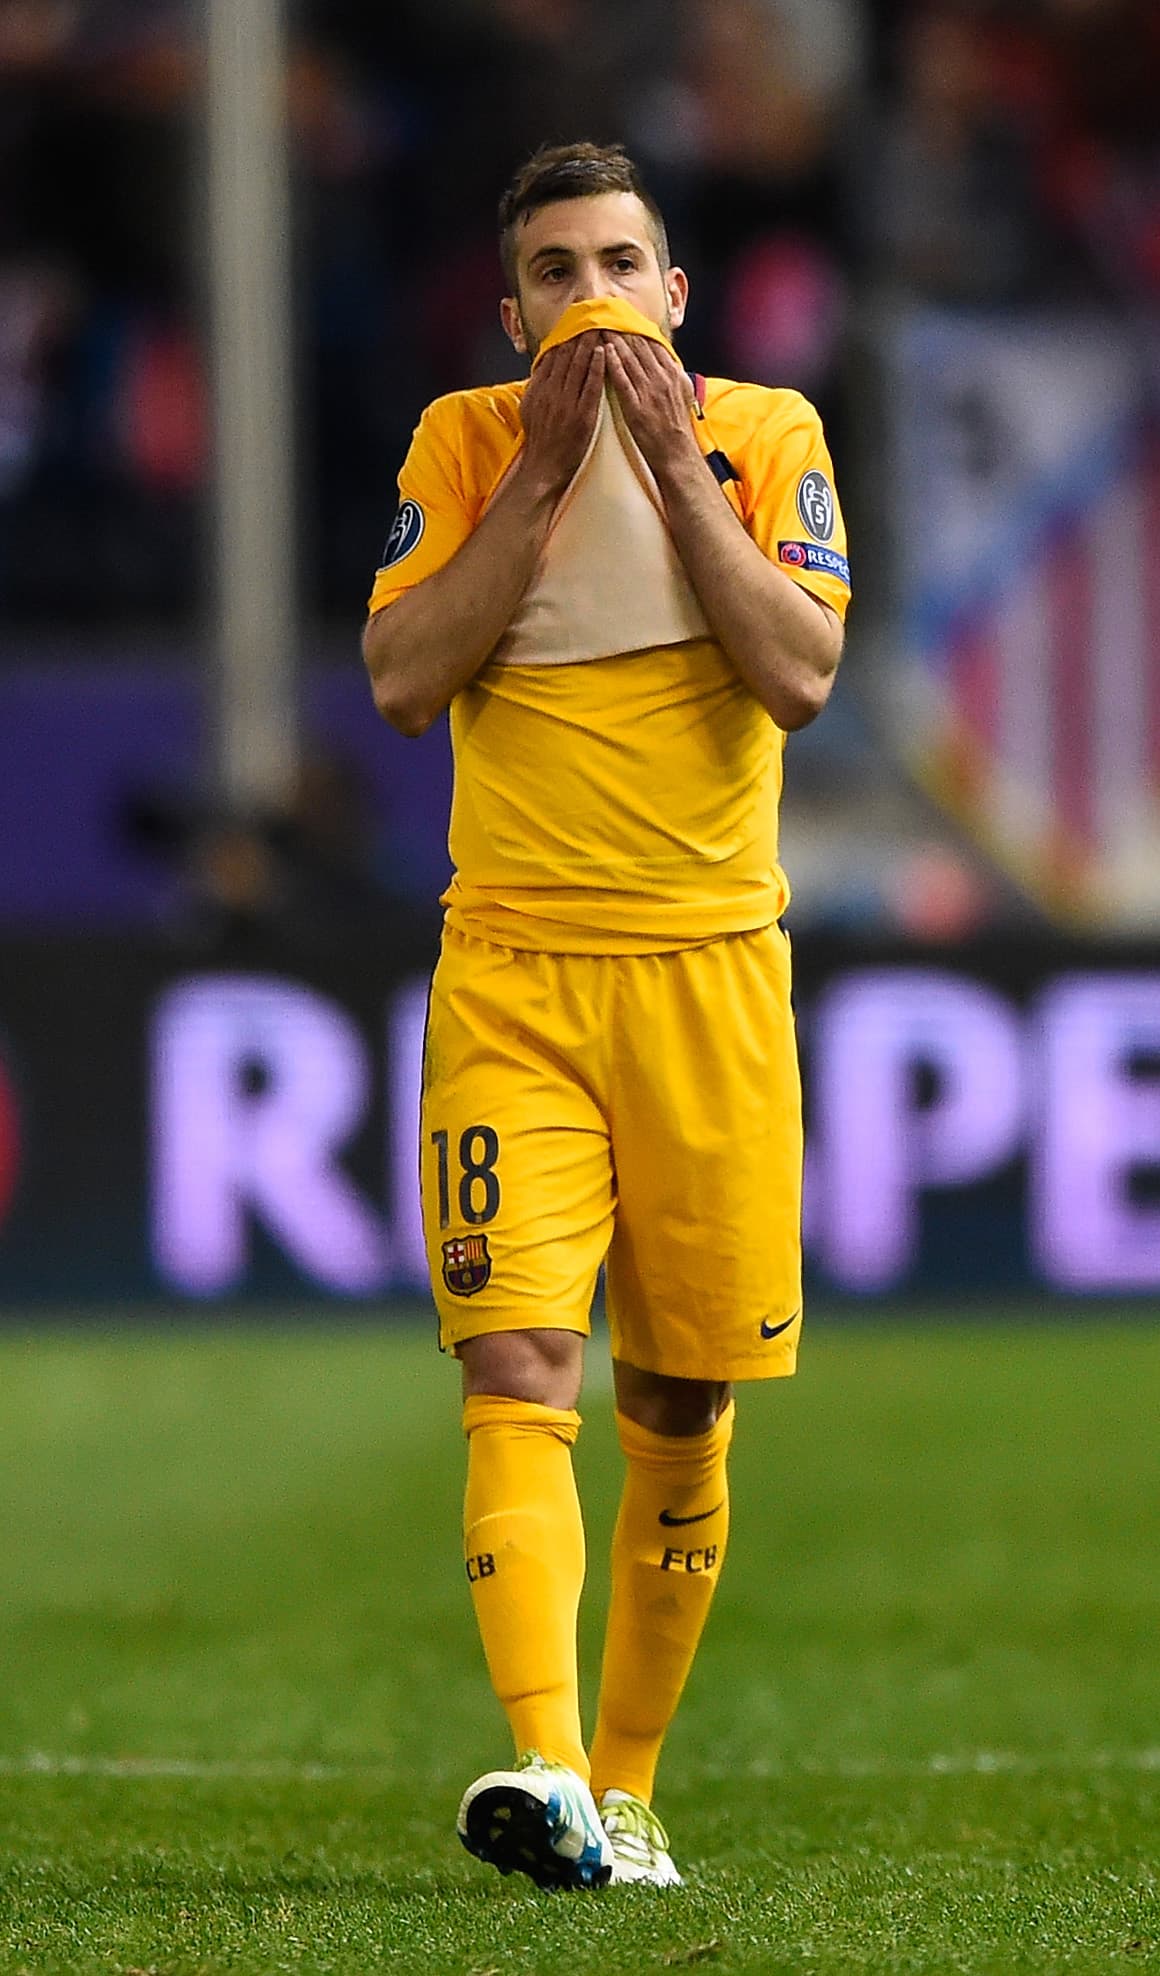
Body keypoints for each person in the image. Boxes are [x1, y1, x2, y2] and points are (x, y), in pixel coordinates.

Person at [362, 141, 850, 1891]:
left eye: (618, 265)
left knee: (684, 1400)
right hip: (515, 980)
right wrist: (549, 470)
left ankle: (628, 1792)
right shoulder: (465, 442)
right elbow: (403, 680)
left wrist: (662, 465)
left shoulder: (768, 434)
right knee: (514, 1359)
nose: (590, 297)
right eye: (554, 273)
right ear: (512, 317)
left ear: (676, 293)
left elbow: (799, 673)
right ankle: (552, 1770)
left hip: (711, 976)